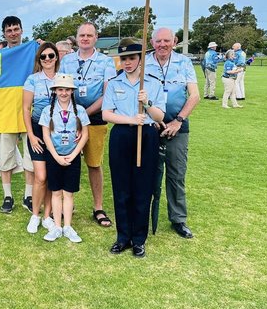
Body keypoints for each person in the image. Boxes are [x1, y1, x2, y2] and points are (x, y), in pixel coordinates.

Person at [102, 38, 165, 258]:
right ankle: (123, 237)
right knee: (121, 189)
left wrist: (147, 103)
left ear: (140, 59)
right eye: (124, 59)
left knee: (142, 188)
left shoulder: (153, 83)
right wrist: (130, 119)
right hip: (122, 135)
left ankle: (139, 239)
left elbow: (160, 116)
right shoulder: (114, 82)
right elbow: (106, 113)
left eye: (131, 58)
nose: (127, 63)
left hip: (146, 136)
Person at [60, 21, 117, 228]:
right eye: (82, 35)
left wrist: (84, 114)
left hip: (94, 118)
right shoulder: (66, 61)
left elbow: (107, 93)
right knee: (67, 160)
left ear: (96, 38)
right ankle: (67, 203)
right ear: (77, 38)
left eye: (89, 35)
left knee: (94, 164)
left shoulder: (106, 62)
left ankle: (98, 207)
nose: (85, 38)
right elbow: (62, 89)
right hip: (69, 119)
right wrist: (73, 115)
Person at [145, 28, 200, 240]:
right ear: (152, 42)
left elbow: (194, 95)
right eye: (158, 41)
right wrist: (156, 120)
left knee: (176, 174)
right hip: (152, 125)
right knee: (149, 173)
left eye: (166, 41)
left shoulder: (184, 63)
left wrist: (178, 121)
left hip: (178, 126)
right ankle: (145, 215)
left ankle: (178, 219)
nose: (162, 45)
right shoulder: (144, 63)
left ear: (174, 41)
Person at [39, 74, 90, 242]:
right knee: (56, 192)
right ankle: (57, 227)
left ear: (72, 91)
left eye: (67, 89)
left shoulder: (80, 110)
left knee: (68, 193)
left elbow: (85, 136)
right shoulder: (48, 111)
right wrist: (56, 156)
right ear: (55, 91)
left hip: (72, 156)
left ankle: (67, 226)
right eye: (60, 89)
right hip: (54, 156)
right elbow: (46, 136)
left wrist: (73, 155)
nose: (64, 93)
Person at [0, 15, 35, 214]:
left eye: (16, 29)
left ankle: (28, 196)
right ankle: (7, 196)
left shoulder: (32, 52)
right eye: (9, 30)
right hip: (5, 113)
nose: (13, 33)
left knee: (30, 157)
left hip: (28, 112)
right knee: (5, 157)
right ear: (4, 33)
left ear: (21, 30)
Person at [23, 42, 59, 234]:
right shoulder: (32, 79)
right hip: (37, 129)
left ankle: (48, 216)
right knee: (41, 176)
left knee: (52, 176)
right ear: (38, 59)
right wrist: (31, 135)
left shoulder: (63, 78)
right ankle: (35, 215)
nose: (47, 59)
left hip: (58, 130)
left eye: (51, 56)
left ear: (56, 58)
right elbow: (26, 109)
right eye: (43, 56)